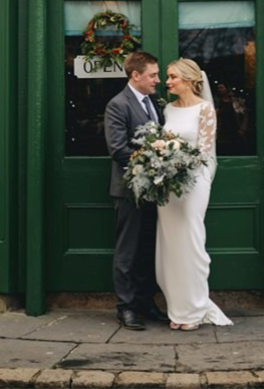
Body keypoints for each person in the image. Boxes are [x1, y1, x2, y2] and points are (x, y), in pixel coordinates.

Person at [157, 58, 233, 331]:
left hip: (194, 180)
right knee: (170, 243)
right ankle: (177, 309)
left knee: (191, 240)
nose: (167, 82)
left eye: (172, 77)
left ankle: (195, 308)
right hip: (167, 183)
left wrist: (180, 164)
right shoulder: (168, 109)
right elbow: (163, 143)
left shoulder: (205, 109)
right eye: (166, 76)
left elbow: (204, 150)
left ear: (189, 80)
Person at [104, 51, 170, 331]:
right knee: (127, 252)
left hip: (154, 191)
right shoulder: (117, 105)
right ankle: (126, 308)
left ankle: (145, 302)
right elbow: (118, 149)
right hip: (129, 190)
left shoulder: (154, 101)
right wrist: (153, 160)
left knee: (148, 251)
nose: (158, 80)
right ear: (135, 75)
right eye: (153, 75)